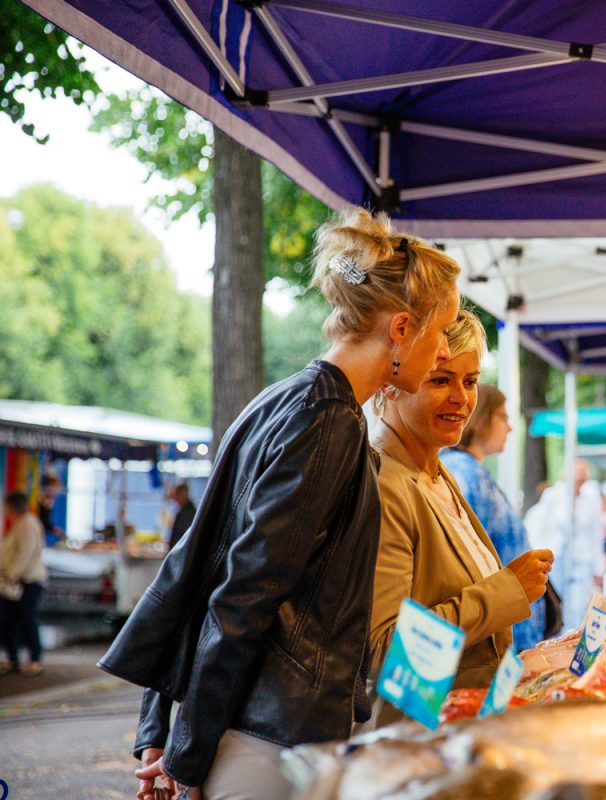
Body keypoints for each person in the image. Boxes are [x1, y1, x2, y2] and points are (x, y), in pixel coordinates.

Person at [98, 207, 462, 800]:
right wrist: (184, 753)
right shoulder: (330, 423)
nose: (444, 351)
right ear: (400, 329)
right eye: (441, 329)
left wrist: (162, 730)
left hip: (244, 730)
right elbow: (242, 596)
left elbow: (197, 569)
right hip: (269, 739)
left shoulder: (278, 401)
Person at [365, 311, 552, 728]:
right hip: (423, 743)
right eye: (440, 380)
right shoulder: (385, 483)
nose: (461, 398)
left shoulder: (436, 471)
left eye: (469, 382)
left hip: (469, 727)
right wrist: (506, 591)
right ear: (392, 384)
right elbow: (386, 651)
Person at [441, 384, 547, 653]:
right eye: (503, 417)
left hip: (502, 628)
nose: (509, 428)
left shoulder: (471, 472)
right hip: (495, 637)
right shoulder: (465, 475)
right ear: (480, 418)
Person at [524, 459, 605, 630]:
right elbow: (540, 527)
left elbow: (596, 533)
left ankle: (571, 637)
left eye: (584, 473)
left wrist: (599, 567)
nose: (581, 477)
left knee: (577, 607)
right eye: (578, 472)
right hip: (556, 558)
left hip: (582, 559)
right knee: (555, 602)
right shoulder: (553, 496)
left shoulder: (591, 498)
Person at [0, 491, 48, 676]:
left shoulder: (27, 524)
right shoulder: (21, 523)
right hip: (15, 582)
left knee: (27, 620)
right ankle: (13, 659)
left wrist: (12, 574)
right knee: (8, 622)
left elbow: (25, 553)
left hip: (26, 582)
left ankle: (35, 659)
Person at [37, 472, 64, 548]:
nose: (57, 490)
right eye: (56, 486)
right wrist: (53, 529)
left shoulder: (47, 499)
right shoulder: (44, 499)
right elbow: (44, 520)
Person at [167, 482, 196, 551]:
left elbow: (184, 536)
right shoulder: (183, 511)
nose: (175, 500)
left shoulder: (188, 513)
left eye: (176, 496)